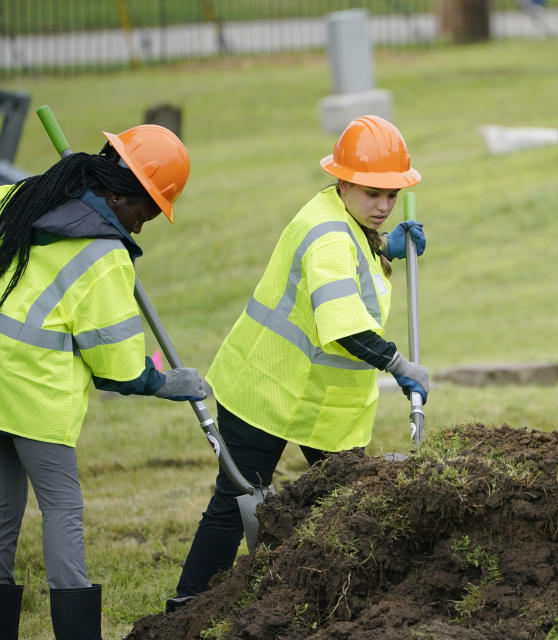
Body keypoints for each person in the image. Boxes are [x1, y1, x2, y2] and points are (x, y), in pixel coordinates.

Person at [166, 115, 429, 612]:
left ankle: (332, 599)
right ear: (344, 181)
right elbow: (345, 325)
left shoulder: (344, 220)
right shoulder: (327, 233)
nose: (384, 205)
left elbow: (353, 255)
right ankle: (186, 609)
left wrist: (382, 245)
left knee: (347, 501)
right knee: (237, 498)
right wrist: (399, 365)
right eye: (373, 193)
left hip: (319, 402)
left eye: (392, 195)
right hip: (267, 387)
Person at [0, 124, 207, 639]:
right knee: (62, 510)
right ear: (120, 193)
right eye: (148, 211)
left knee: (3, 509)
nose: (143, 226)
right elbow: (118, 369)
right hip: (35, 398)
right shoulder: (102, 254)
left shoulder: (25, 195)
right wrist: (166, 383)